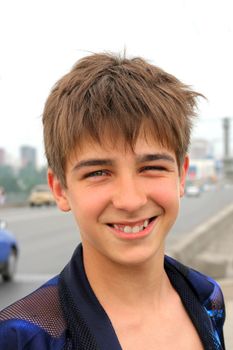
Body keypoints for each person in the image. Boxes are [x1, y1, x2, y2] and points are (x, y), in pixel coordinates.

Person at [0, 52, 225, 349]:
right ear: (59, 189)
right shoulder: (24, 336)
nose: (130, 200)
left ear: (181, 176)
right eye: (99, 172)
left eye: (152, 168)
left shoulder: (206, 297)